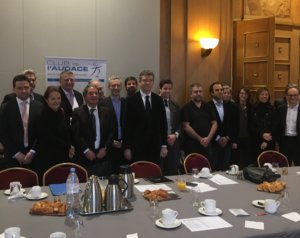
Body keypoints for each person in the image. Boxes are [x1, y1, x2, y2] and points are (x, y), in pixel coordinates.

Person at [123, 70, 168, 165]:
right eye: (144, 80)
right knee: (139, 175)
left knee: (154, 174)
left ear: (153, 82)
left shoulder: (158, 100)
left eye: (150, 80)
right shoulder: (131, 100)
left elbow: (163, 123)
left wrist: (164, 145)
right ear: (139, 82)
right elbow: (126, 125)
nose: (147, 82)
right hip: (137, 147)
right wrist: (127, 148)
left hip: (155, 146)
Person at [0, 74, 43, 169]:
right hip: (13, 157)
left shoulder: (39, 106)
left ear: (30, 88)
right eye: (19, 88)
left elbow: (42, 132)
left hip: (35, 157)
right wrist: (17, 154)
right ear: (13, 89)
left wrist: (32, 152)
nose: (23, 91)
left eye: (26, 87)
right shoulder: (5, 107)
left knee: (35, 183)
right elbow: (3, 133)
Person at [71, 85, 115, 176]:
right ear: (85, 96)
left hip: (103, 157)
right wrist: (86, 150)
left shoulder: (107, 112)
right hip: (85, 158)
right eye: (91, 93)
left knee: (104, 186)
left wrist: (105, 148)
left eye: (96, 93)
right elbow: (76, 134)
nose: (94, 95)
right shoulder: (78, 112)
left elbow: (112, 132)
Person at [35, 86, 75, 182]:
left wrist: (71, 146)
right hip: (47, 158)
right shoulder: (41, 114)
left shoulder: (61, 112)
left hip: (63, 156)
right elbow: (48, 137)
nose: (56, 101)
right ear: (46, 99)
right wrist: (68, 147)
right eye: (52, 99)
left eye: (58, 98)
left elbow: (67, 131)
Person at [181, 83, 217, 165]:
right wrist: (200, 139)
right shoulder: (186, 108)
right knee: (193, 170)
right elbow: (186, 126)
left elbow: (214, 123)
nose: (198, 94)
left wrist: (208, 138)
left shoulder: (208, 106)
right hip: (192, 145)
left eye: (200, 91)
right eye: (196, 92)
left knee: (207, 168)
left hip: (207, 144)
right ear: (191, 94)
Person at [100, 76, 126, 173]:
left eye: (118, 85)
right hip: (109, 146)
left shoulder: (126, 102)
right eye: (113, 85)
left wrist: (125, 141)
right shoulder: (102, 104)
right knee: (110, 174)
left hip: (124, 145)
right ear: (109, 87)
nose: (116, 88)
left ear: (121, 87)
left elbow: (129, 124)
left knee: (123, 175)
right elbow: (102, 127)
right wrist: (111, 142)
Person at [209, 82, 236, 171]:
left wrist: (227, 138)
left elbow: (234, 124)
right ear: (212, 93)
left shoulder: (230, 105)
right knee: (214, 169)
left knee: (225, 169)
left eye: (221, 90)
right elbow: (207, 125)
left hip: (227, 143)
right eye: (217, 90)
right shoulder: (207, 106)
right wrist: (217, 138)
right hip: (213, 143)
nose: (220, 92)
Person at [274, 85, 300, 166]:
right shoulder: (280, 108)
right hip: (284, 142)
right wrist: (277, 142)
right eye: (290, 95)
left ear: (298, 96)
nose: (292, 97)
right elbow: (276, 126)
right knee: (284, 167)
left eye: (295, 95)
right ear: (286, 96)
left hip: (298, 141)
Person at [159, 79, 181, 175]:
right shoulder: (154, 103)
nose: (167, 91)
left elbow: (180, 124)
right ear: (160, 89)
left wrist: (175, 135)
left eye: (169, 89)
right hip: (159, 143)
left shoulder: (175, 105)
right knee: (159, 170)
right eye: (165, 88)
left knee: (172, 171)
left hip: (173, 142)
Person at [250, 87, 275, 163]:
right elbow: (251, 125)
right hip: (256, 140)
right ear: (258, 95)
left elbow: (274, 125)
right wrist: (261, 135)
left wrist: (265, 140)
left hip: (269, 140)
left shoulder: (272, 108)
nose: (264, 96)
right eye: (262, 94)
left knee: (269, 164)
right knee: (256, 163)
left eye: (266, 94)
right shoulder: (252, 108)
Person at [235, 88, 253, 168]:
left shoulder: (251, 107)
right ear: (238, 95)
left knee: (248, 159)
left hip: (248, 137)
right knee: (237, 160)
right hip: (237, 137)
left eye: (245, 94)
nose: (243, 95)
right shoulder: (234, 106)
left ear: (248, 96)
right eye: (241, 93)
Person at [222, 85, 239, 165]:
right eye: (224, 93)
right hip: (217, 139)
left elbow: (236, 124)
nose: (226, 94)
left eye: (228, 93)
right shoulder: (216, 105)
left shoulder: (234, 106)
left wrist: (230, 139)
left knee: (227, 162)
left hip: (229, 138)